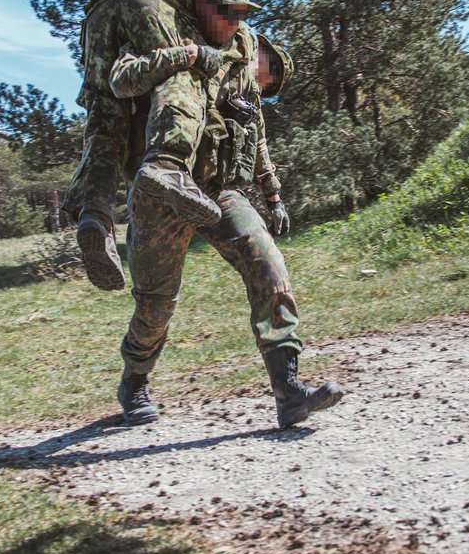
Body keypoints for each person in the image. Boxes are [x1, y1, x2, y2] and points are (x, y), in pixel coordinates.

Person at [113, 24, 344, 430]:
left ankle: (289, 391)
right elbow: (124, 80)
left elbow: (257, 144)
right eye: (268, 71)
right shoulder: (185, 47)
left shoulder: (245, 91)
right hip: (162, 191)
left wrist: (272, 193)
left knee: (267, 264)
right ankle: (134, 380)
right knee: (156, 302)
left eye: (269, 84)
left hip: (218, 191)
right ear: (260, 49)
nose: (263, 81)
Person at [63, 0, 256, 291]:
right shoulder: (182, 8)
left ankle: (94, 216)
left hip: (95, 15)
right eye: (228, 12)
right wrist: (194, 53)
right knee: (184, 74)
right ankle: (167, 165)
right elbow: (203, 60)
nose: (234, 21)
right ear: (202, 1)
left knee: (105, 123)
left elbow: (120, 84)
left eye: (241, 14)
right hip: (142, 4)